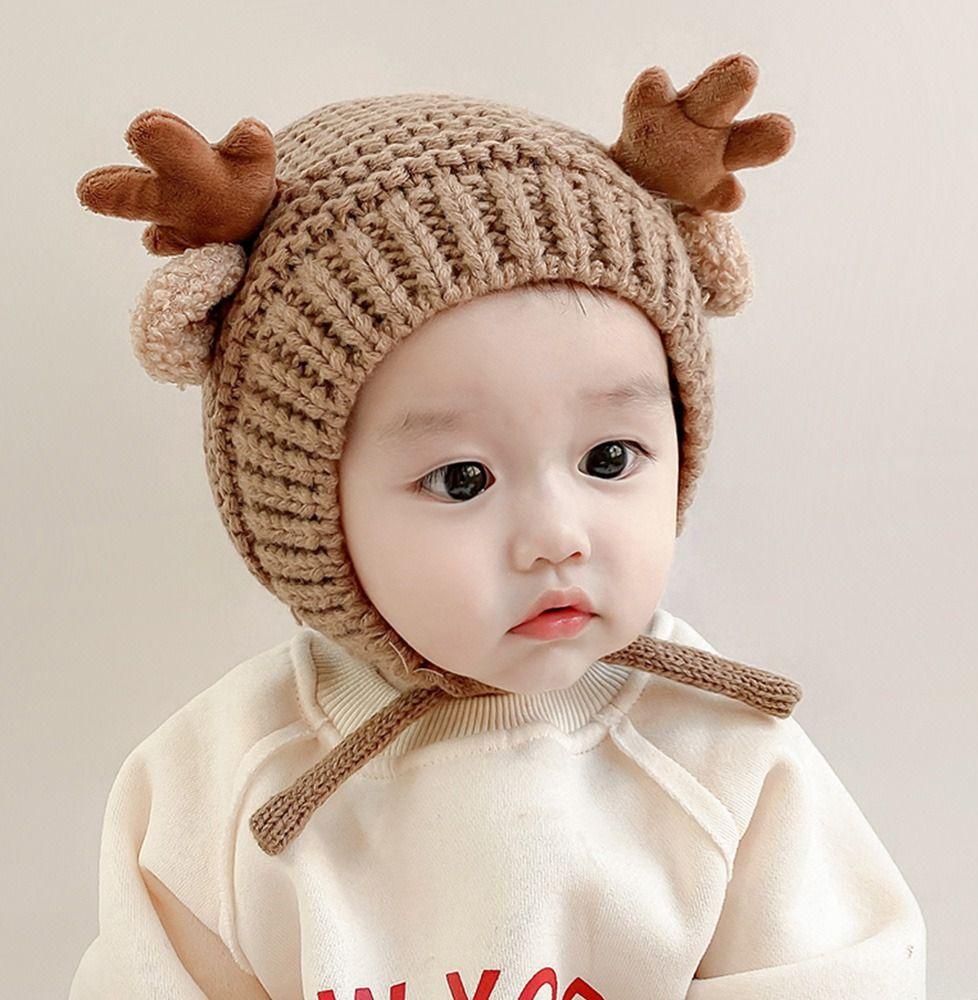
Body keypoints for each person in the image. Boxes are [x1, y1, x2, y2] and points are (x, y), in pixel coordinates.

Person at [69, 53, 926, 999]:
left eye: (610, 459)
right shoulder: (218, 785)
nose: (557, 536)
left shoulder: (721, 753)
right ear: (304, 512)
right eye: (462, 479)